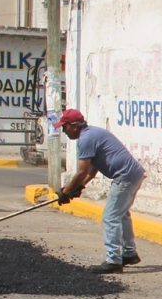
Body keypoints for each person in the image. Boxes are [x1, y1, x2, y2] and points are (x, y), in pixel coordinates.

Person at [53, 108, 145, 273]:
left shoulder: (85, 139)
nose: (64, 131)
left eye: (65, 127)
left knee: (110, 217)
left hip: (125, 176)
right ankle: (129, 253)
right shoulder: (93, 133)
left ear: (74, 126)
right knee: (121, 214)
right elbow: (93, 169)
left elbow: (82, 171)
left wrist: (66, 191)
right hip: (133, 174)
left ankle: (113, 261)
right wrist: (79, 187)